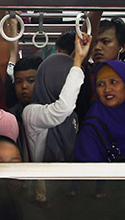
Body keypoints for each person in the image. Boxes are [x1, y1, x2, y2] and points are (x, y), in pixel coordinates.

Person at [22, 32, 91, 163]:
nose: (70, 87)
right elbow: (62, 108)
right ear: (51, 79)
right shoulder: (31, 113)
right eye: (67, 78)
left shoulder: (72, 117)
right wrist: (77, 60)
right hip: (40, 182)